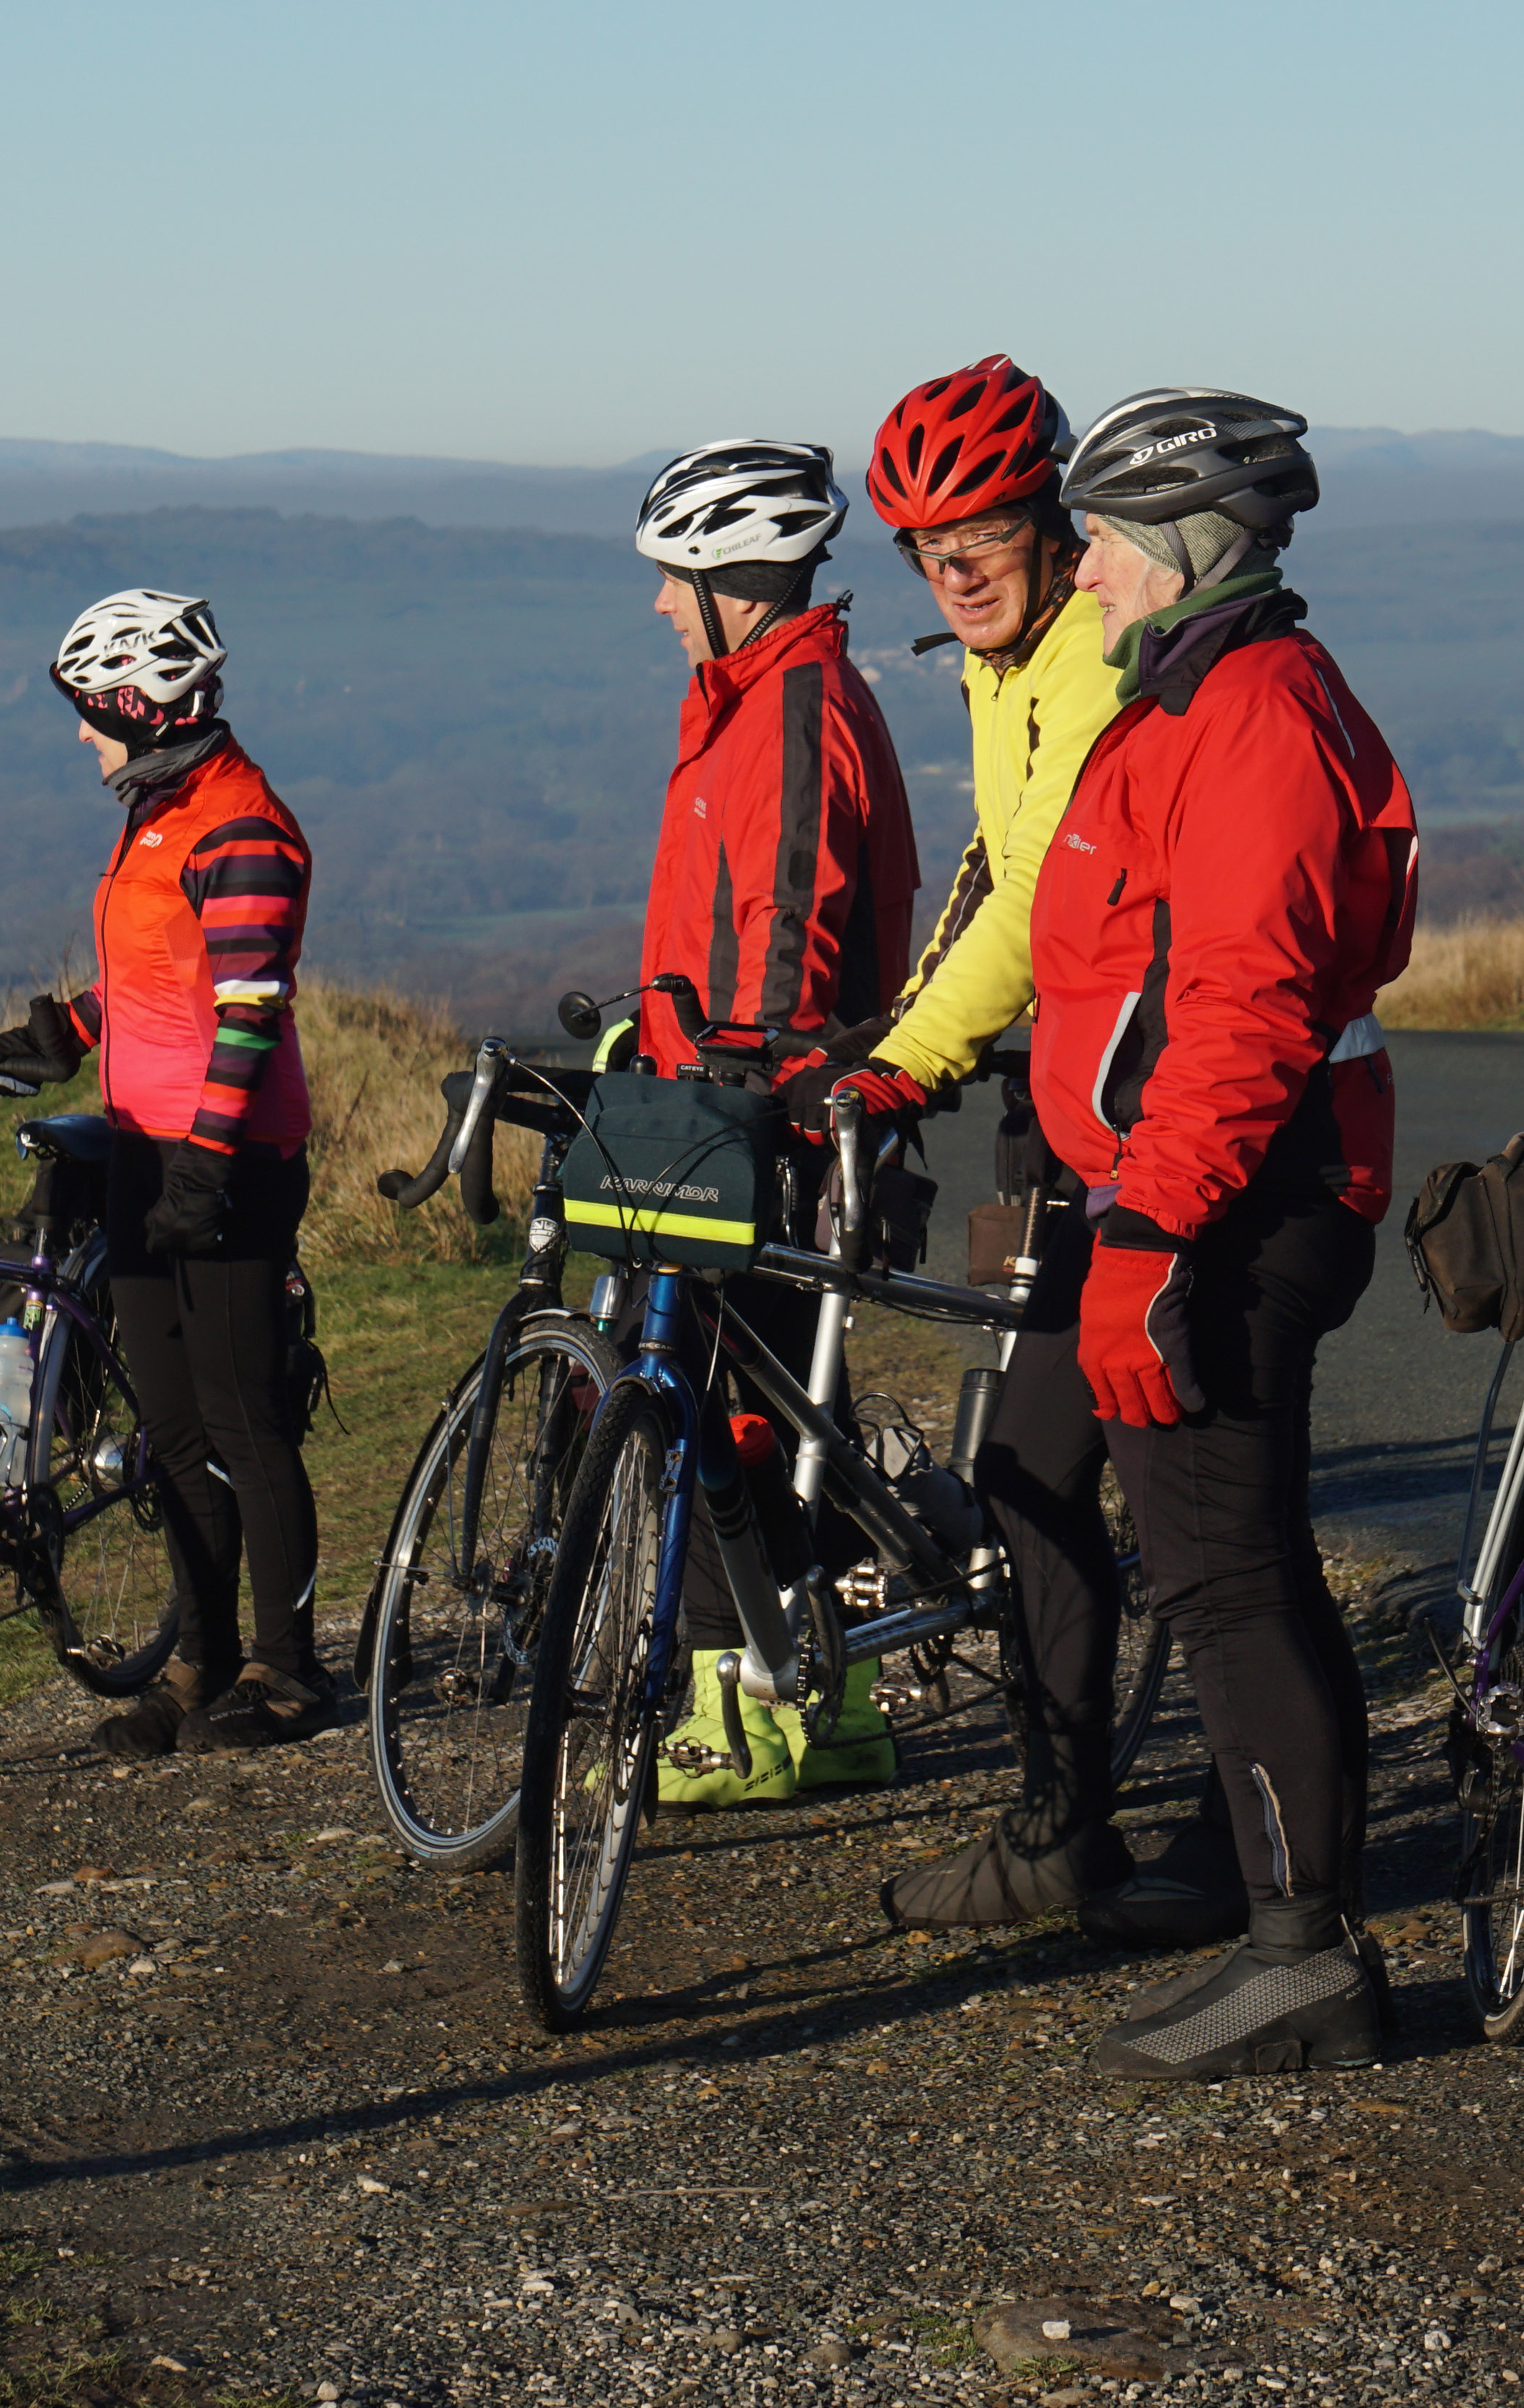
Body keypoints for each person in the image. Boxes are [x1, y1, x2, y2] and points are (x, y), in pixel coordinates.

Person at [1007, 389, 1417, 2082]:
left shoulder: (1247, 710)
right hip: (1205, 1193)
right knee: (1235, 1558)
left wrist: (1152, 1233)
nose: (1079, 564)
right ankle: (1288, 1923)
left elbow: (1242, 1005)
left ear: (1181, 547)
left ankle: (1299, 1953)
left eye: (1101, 532)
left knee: (1224, 1569)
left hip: (1232, 1203)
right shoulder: (1194, 690)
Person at [836, 356, 1248, 1946]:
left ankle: (1242, 1838)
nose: (950, 565)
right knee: (1027, 1465)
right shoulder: (995, 662)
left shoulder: (1096, 659)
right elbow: (993, 867)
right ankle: (1062, 1817)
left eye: (981, 531)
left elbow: (1046, 902)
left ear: (1051, 516)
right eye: (922, 543)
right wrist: (891, 1041)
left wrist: (905, 1057)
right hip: (1067, 1108)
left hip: (1166, 1117)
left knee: (1205, 1508)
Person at [0, 589, 328, 1757]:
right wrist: (53, 1036)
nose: (80, 733)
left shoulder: (242, 826)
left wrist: (208, 1164)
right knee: (171, 1427)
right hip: (141, 1151)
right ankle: (201, 1659)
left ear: (133, 702)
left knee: (247, 1418)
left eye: (87, 711)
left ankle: (289, 1669)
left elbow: (248, 1011)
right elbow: (154, 983)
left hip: (227, 1162)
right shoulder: (159, 811)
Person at [616, 438, 922, 1806]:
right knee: (778, 1407)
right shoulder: (748, 700)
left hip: (765, 1118)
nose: (662, 606)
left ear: (734, 580)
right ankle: (817, 1700)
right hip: (721, 1096)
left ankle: (742, 1710)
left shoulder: (794, 704)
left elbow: (787, 932)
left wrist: (734, 1073)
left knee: (736, 1406)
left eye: (677, 580)